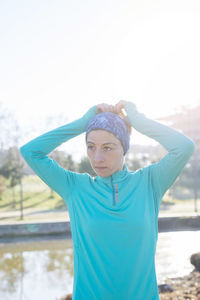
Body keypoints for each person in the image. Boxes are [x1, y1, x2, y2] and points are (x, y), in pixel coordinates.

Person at [20, 100, 195, 300]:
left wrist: (138, 121)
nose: (97, 158)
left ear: (124, 148)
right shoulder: (75, 188)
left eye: (108, 148)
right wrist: (82, 123)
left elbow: (184, 147)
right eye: (91, 147)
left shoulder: (150, 182)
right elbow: (30, 151)